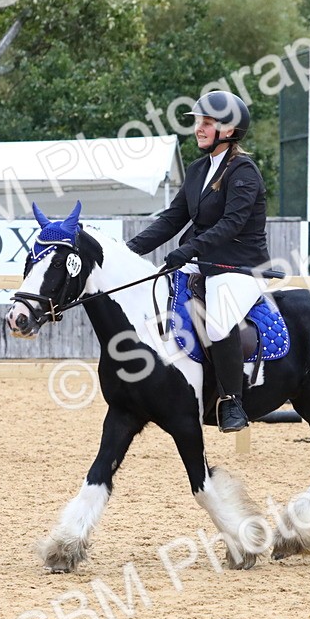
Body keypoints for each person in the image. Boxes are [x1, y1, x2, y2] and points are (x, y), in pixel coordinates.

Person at [125, 90, 266, 433]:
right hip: (201, 265)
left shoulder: (243, 171)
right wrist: (128, 251)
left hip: (238, 268)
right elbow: (171, 220)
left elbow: (231, 224)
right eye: (198, 122)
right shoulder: (197, 170)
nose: (198, 128)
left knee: (216, 324)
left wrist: (188, 250)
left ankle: (232, 402)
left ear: (228, 130)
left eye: (207, 122)